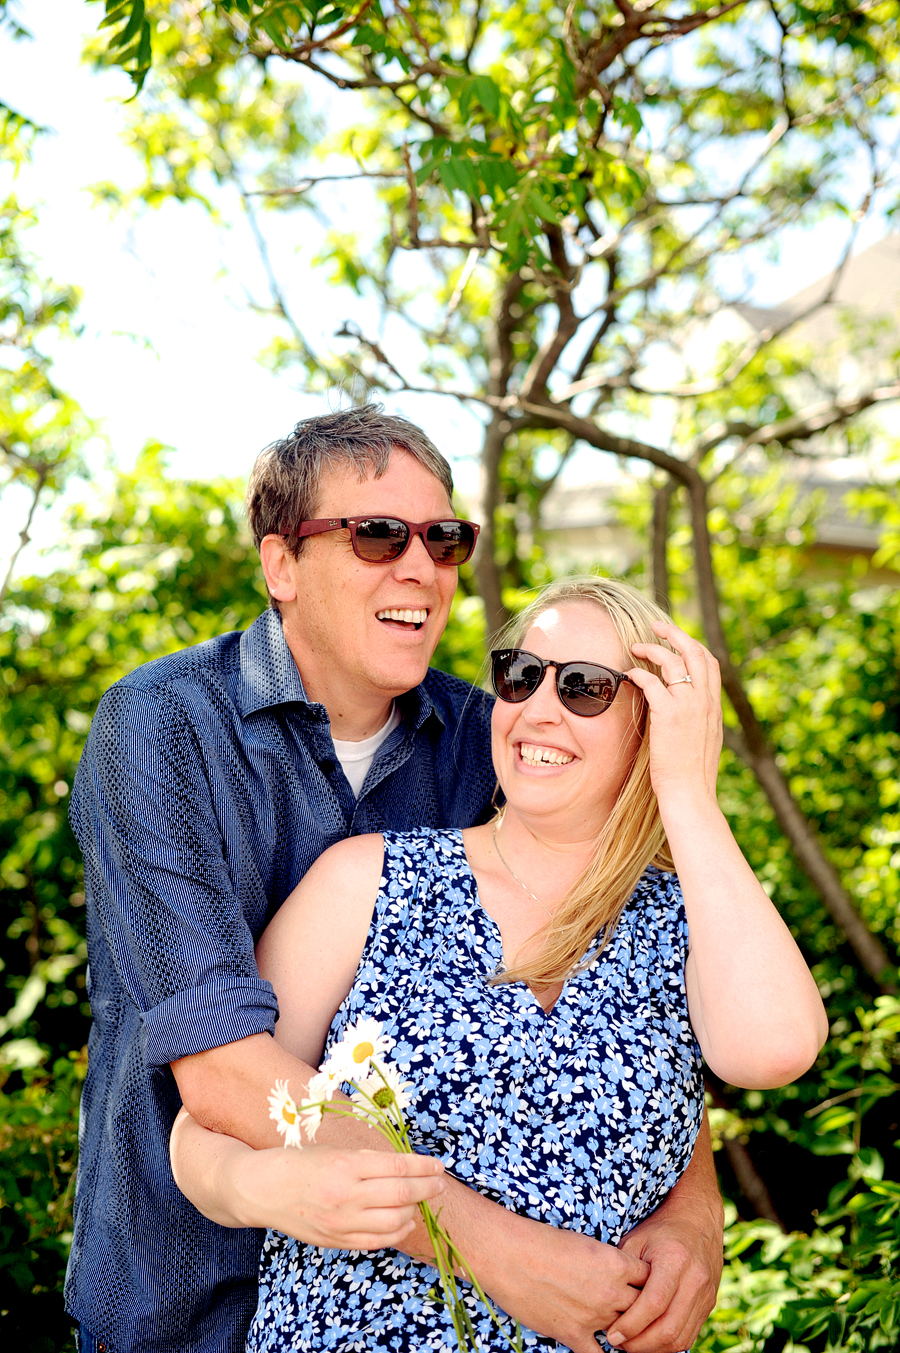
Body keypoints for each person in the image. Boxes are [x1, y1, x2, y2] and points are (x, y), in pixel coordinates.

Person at [68, 407, 724, 1353]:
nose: (422, 566)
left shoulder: (495, 738)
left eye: (444, 538)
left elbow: (626, 1015)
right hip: (186, 1294)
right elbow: (220, 1072)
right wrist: (487, 1245)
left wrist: (691, 1213)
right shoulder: (161, 729)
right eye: (378, 534)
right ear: (281, 565)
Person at [171, 575, 828, 1351]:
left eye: (585, 688)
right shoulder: (368, 881)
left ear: (651, 723)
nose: (539, 709)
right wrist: (262, 1189)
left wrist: (687, 792)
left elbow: (775, 1050)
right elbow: (204, 1125)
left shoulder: (690, 917)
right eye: (521, 675)